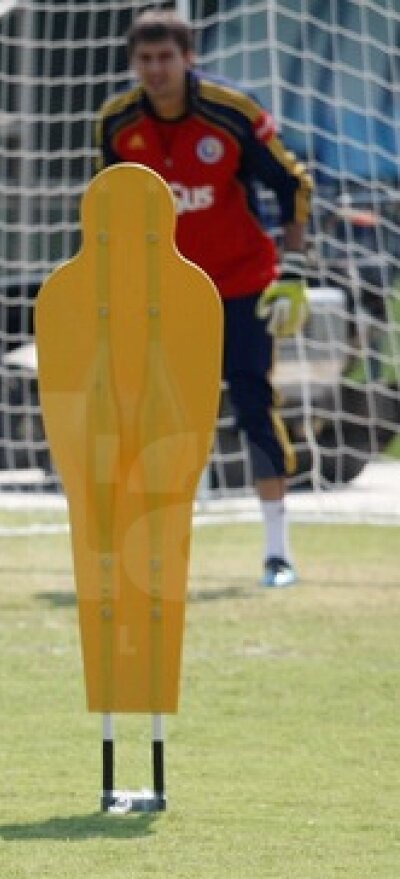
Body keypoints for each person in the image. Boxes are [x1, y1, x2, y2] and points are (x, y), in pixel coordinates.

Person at [96, 8, 315, 588]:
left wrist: (293, 272)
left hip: (242, 284)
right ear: (132, 64)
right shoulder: (117, 125)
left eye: (167, 57)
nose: (157, 70)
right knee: (159, 415)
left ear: (189, 58)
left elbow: (294, 185)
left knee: (252, 405)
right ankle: (158, 547)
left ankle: (278, 551)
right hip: (164, 292)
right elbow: (111, 209)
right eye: (145, 59)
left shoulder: (231, 114)